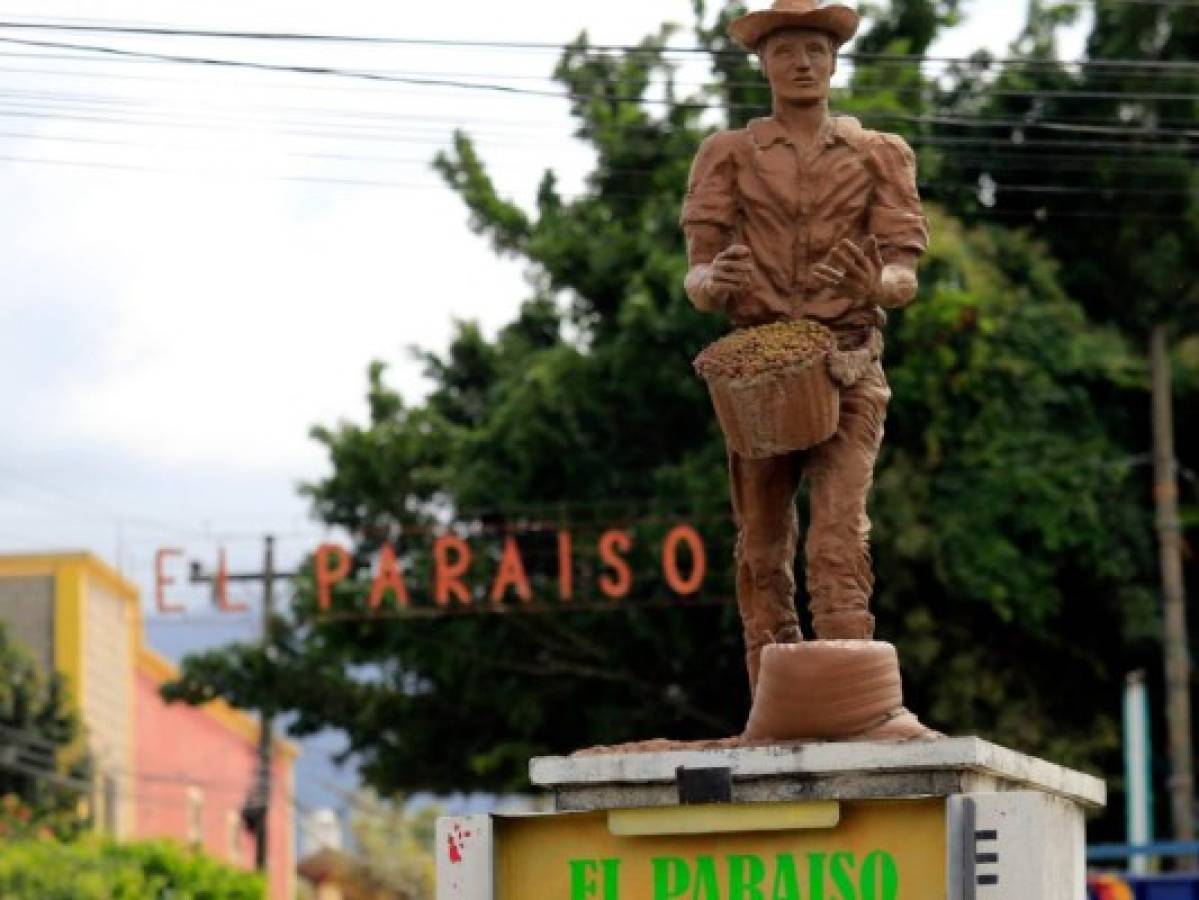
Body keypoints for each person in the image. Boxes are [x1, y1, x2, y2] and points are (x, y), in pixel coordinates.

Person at [681, 0, 929, 693]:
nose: (801, 63)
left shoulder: (878, 153)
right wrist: (713, 280)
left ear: (834, 62)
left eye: (815, 51)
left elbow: (904, 269)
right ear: (762, 62)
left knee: (839, 528)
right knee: (761, 539)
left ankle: (848, 680)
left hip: (846, 360)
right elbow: (697, 274)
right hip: (755, 370)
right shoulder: (727, 153)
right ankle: (772, 678)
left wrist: (877, 284)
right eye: (786, 50)